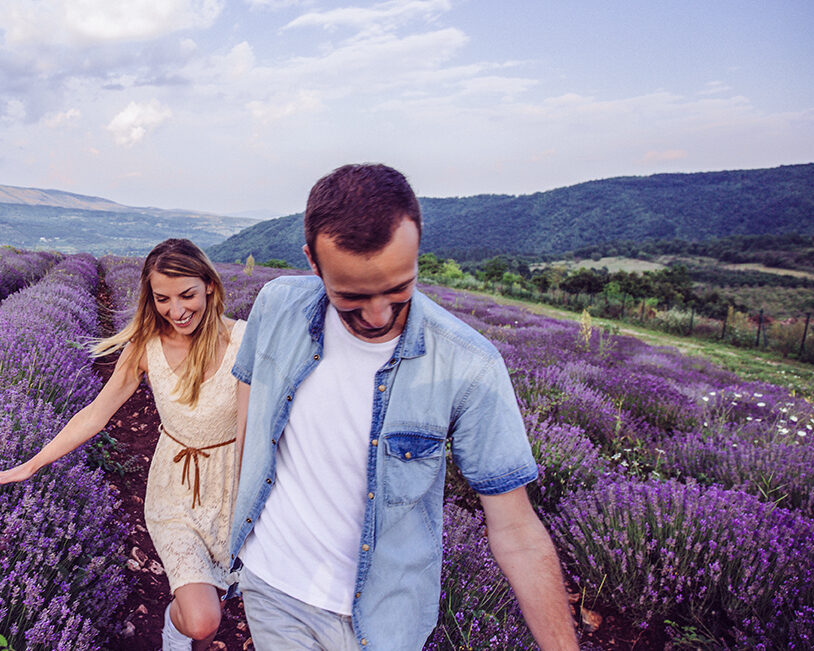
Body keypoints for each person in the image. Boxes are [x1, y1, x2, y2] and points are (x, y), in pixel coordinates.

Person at [228, 164, 579, 650]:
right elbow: (248, 400)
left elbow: (517, 530)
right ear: (313, 261)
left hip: (385, 617)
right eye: (351, 295)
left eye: (398, 288)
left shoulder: (468, 364)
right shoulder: (276, 305)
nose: (378, 314)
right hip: (273, 584)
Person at [0, 238, 244, 651]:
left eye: (187, 295)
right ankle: (173, 636)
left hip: (236, 486)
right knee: (201, 621)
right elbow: (95, 413)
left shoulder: (243, 341)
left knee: (220, 616)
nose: (176, 311)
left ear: (210, 285)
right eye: (162, 299)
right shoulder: (146, 347)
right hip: (175, 491)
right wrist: (33, 463)